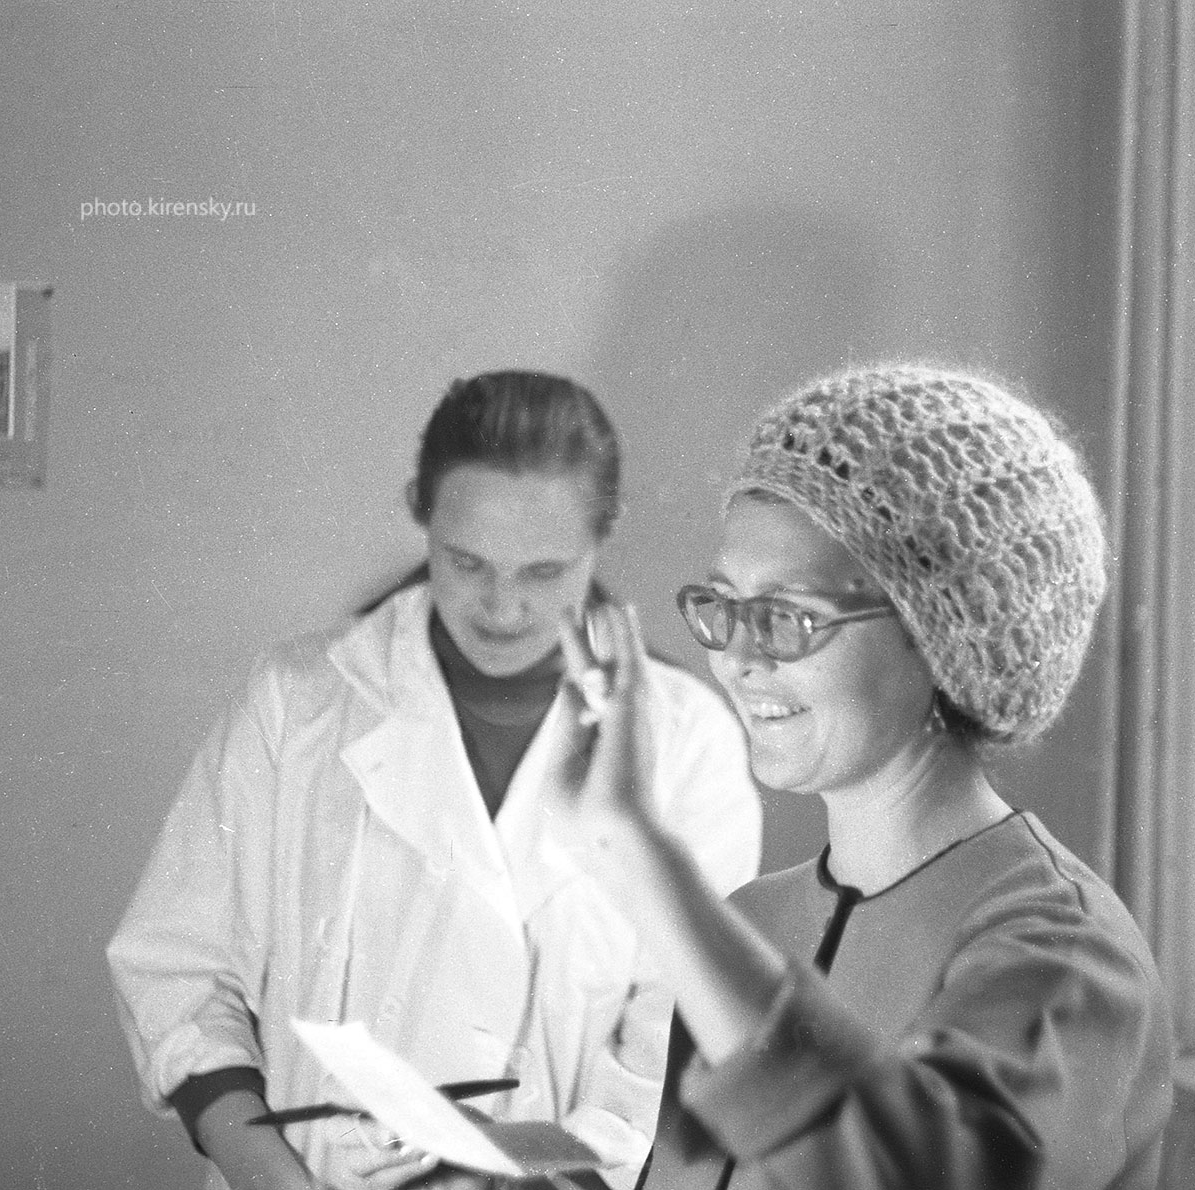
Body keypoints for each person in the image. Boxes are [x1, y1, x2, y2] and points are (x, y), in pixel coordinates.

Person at [107, 370, 763, 1190]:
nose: (502, 609)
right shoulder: (295, 703)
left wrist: (519, 1165)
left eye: (544, 572)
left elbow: (685, 1054)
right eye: (467, 562)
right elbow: (179, 971)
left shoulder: (689, 746)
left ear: (604, 536)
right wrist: (269, 1173)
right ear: (421, 513)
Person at [543, 364, 1174, 1190]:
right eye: (724, 606)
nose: (737, 658)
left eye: (791, 616)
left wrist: (640, 854)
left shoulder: (1063, 958)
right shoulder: (754, 921)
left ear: (941, 635)